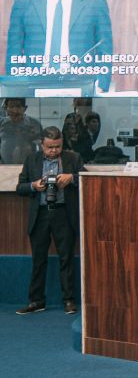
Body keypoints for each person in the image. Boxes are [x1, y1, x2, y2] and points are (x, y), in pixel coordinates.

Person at [5, 0, 114, 92]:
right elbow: (14, 49)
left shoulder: (95, 3)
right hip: (33, 82)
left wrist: (101, 84)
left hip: (81, 82)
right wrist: (16, 85)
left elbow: (105, 49)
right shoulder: (24, 3)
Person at [15, 126, 84, 315]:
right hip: (41, 214)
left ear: (62, 143)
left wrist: (72, 178)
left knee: (66, 259)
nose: (54, 151)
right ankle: (36, 301)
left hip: (63, 214)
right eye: (50, 147)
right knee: (38, 260)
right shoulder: (31, 160)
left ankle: (69, 301)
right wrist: (33, 186)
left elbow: (88, 180)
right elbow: (19, 187)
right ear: (41, 144)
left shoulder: (73, 159)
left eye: (57, 146)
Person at [0, 98, 43, 165]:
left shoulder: (34, 123)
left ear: (25, 108)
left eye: (18, 106)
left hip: (29, 165)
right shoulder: (1, 123)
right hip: (3, 165)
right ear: (6, 108)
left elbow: (41, 146)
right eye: (11, 106)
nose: (15, 110)